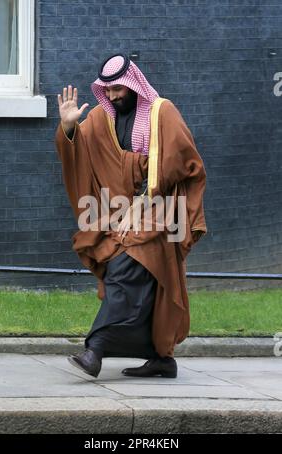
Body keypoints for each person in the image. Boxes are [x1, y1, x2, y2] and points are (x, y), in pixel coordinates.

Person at [55, 53, 207, 378]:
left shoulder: (161, 113)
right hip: (115, 215)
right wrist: (68, 129)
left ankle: (95, 350)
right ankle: (160, 357)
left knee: (128, 264)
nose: (112, 96)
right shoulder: (101, 118)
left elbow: (184, 162)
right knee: (126, 276)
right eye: (106, 91)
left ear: (132, 84)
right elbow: (78, 151)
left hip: (161, 214)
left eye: (118, 89)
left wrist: (141, 204)